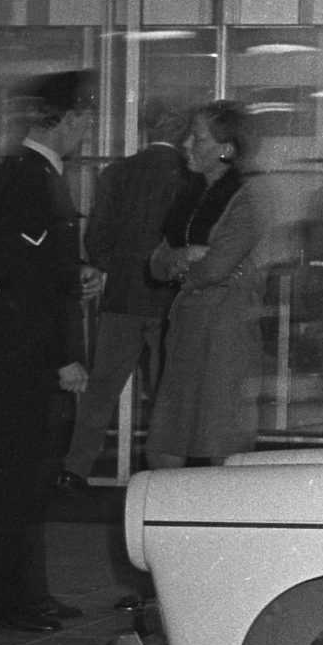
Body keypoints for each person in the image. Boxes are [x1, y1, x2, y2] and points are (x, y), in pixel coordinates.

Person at [0, 71, 92, 633]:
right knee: (19, 479)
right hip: (30, 356)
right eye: (84, 120)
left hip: (28, 352)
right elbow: (26, 281)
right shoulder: (28, 177)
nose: (86, 131)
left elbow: (49, 270)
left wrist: (80, 275)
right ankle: (10, 602)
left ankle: (29, 594)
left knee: (31, 477)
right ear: (64, 120)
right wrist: (64, 355)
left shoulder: (37, 174)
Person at [57, 99, 189, 493]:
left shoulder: (118, 172)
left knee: (101, 392)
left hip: (122, 298)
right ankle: (166, 477)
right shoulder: (189, 175)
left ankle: (76, 468)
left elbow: (96, 239)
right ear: (183, 133)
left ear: (145, 128)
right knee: (166, 391)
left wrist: (117, 264)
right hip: (169, 299)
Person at [145, 102, 265, 467]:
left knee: (219, 442)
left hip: (224, 335)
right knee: (167, 441)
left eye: (197, 137)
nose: (186, 144)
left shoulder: (248, 198)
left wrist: (180, 262)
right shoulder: (191, 194)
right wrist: (185, 257)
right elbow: (157, 262)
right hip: (187, 331)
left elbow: (216, 266)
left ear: (226, 149)